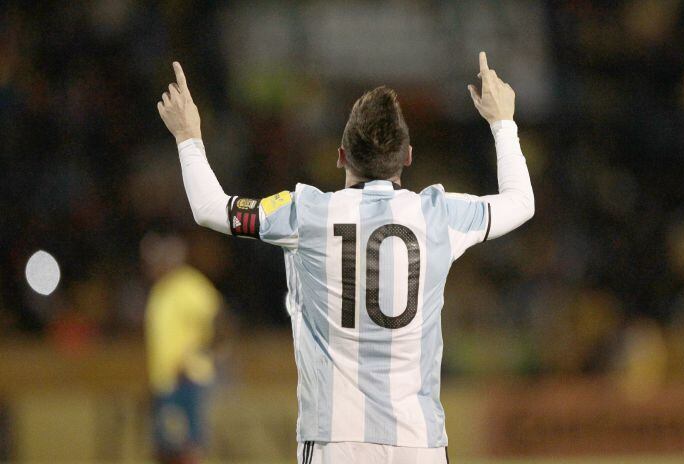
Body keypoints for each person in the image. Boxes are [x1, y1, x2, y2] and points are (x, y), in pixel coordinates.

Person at [157, 51, 534, 464]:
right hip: (418, 443)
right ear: (407, 157)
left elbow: (212, 209)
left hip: (335, 441)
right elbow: (521, 202)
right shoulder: (439, 215)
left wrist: (188, 136)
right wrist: (503, 122)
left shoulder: (306, 213)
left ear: (340, 155)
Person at [142, 231, 223, 464]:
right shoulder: (160, 290)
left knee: (188, 448)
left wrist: (195, 356)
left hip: (187, 380)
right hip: (165, 382)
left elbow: (220, 320)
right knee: (165, 449)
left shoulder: (188, 284)